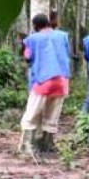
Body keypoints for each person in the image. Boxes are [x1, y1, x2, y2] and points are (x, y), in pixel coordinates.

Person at [20, 13, 72, 160]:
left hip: (44, 80)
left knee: (31, 113)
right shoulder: (63, 35)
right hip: (62, 80)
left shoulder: (32, 39)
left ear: (35, 26)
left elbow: (27, 57)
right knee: (52, 114)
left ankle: (27, 145)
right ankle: (48, 144)